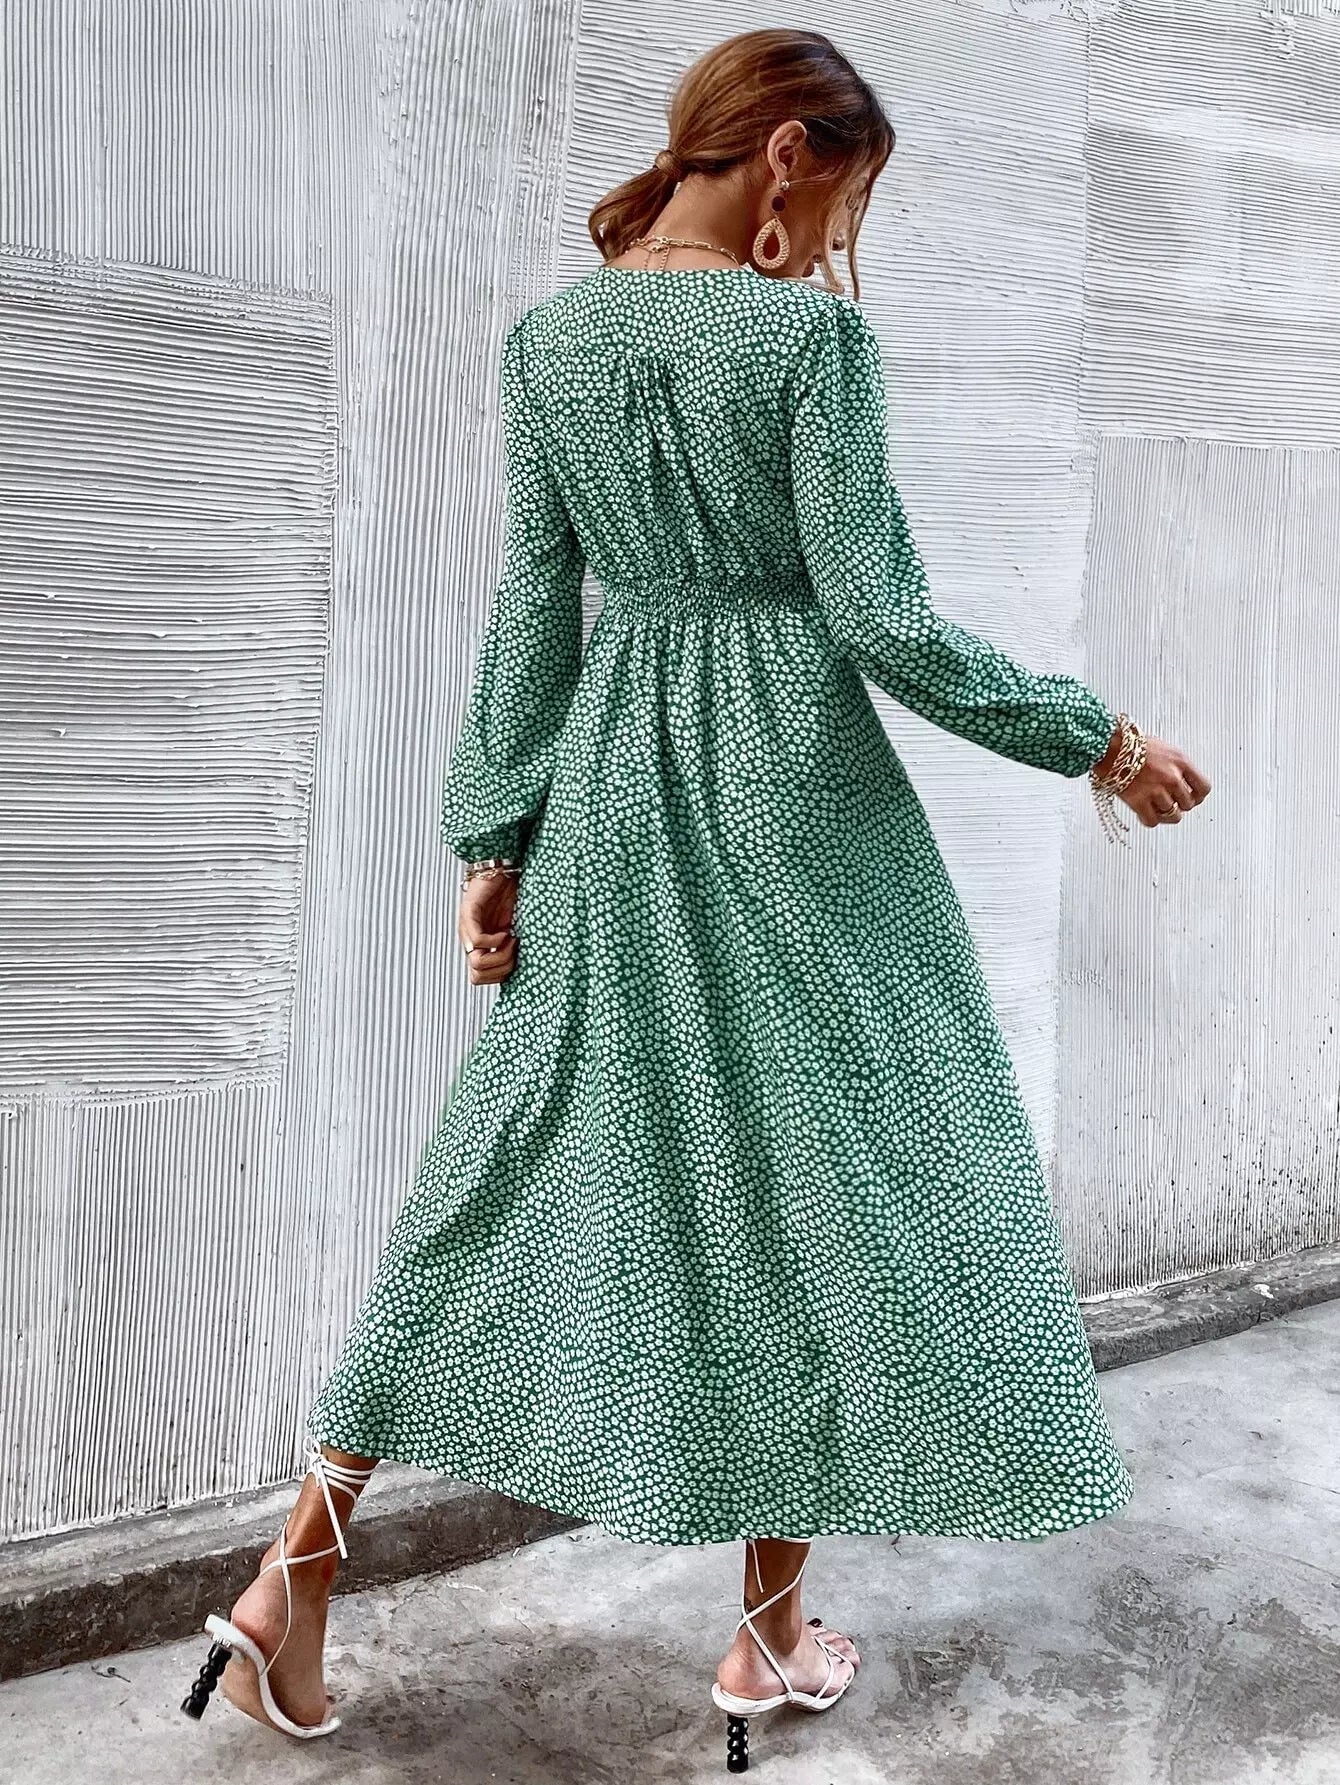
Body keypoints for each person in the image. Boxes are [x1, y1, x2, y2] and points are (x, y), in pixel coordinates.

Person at [180, 25, 1210, 1769]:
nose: (846, 240)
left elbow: (536, 608)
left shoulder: (551, 338)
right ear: (792, 152)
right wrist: (1097, 741)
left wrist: (494, 840)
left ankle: (297, 1572)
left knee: (505, 1166)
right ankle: (764, 1635)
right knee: (839, 1176)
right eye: (855, 195)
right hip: (794, 799)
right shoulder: (809, 341)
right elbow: (880, 621)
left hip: (609, 794)